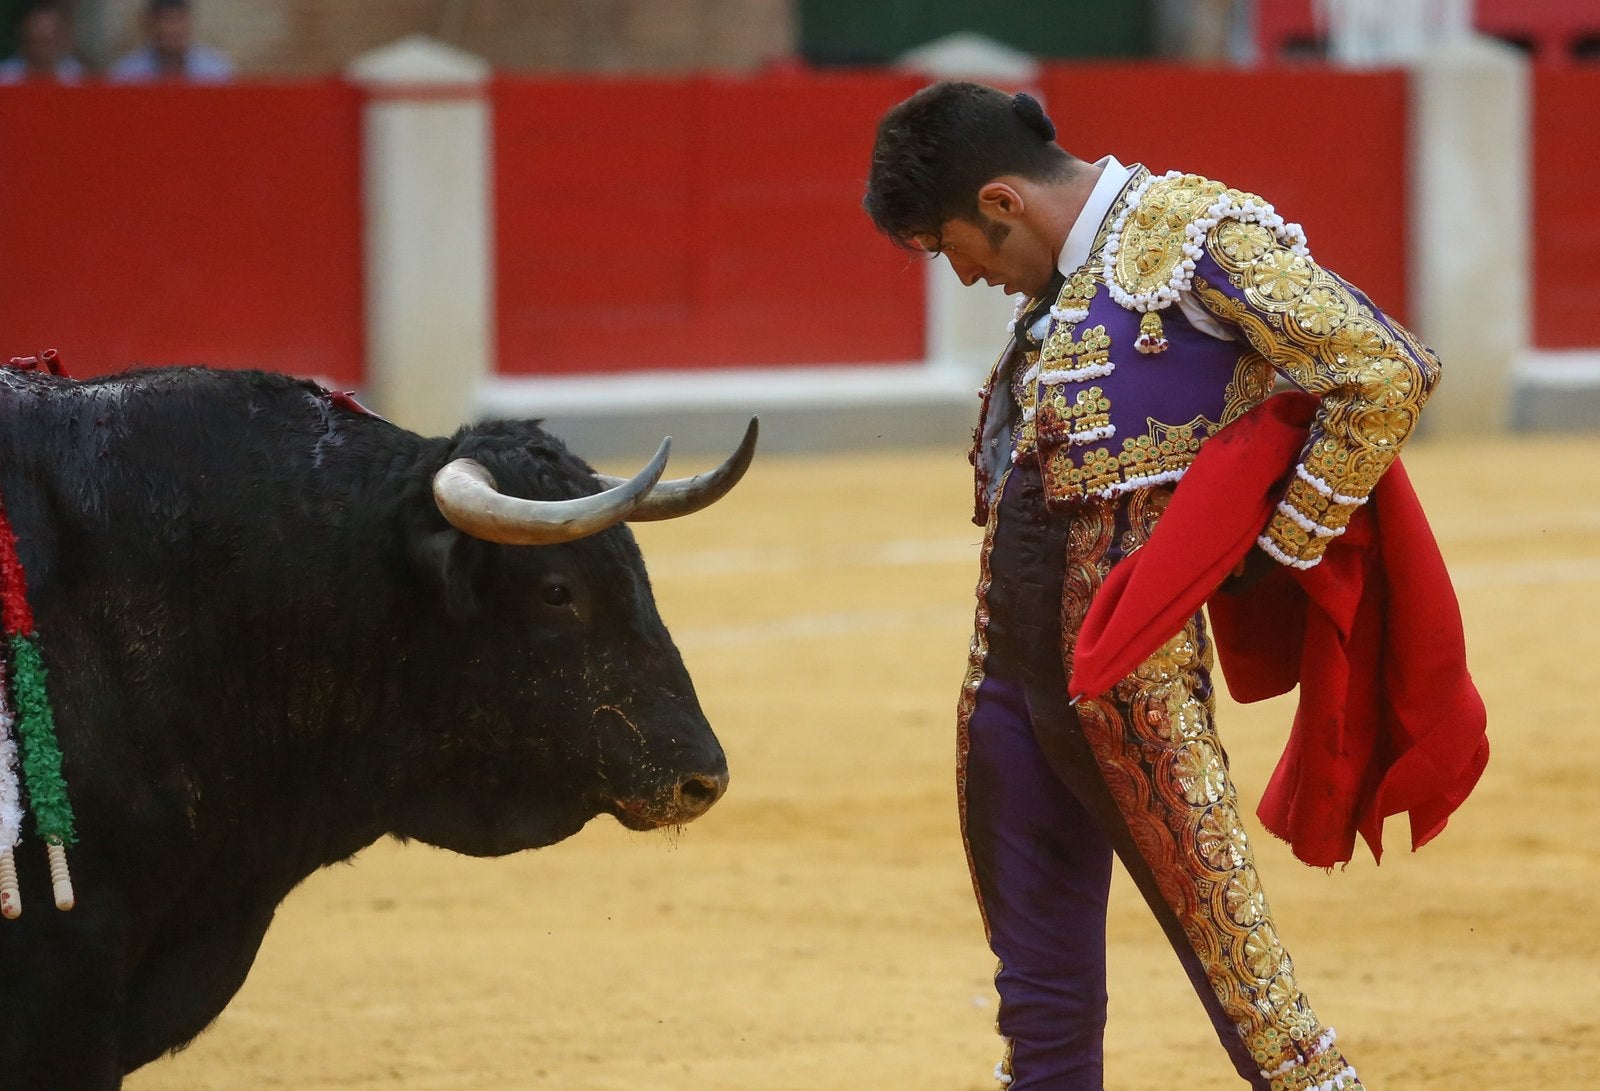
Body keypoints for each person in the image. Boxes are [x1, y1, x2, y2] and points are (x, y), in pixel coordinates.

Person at [864, 81, 1447, 1089]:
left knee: (1248, 986)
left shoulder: (1196, 235)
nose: (964, 277)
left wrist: (1285, 543)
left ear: (1002, 203)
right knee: (1037, 993)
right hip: (1005, 674)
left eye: (954, 248)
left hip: (1131, 681)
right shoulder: (1061, 278)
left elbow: (1384, 369)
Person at [107, 0, 232, 83]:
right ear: (150, 26)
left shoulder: (216, 70)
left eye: (177, 21)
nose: (171, 29)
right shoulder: (126, 73)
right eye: (165, 21)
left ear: (188, 24)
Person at [0, 1, 83, 83]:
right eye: (37, 41)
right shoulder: (5, 77)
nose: (43, 51)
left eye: (49, 42)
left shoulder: (79, 79)